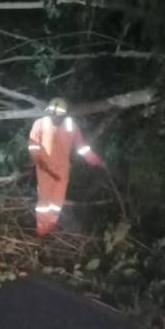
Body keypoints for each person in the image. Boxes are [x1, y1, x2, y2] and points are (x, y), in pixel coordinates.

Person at [27, 98, 104, 236]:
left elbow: (81, 147)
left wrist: (95, 160)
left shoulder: (71, 126)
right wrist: (37, 159)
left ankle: (50, 225)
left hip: (62, 169)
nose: (55, 117)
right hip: (45, 168)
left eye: (58, 115)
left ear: (64, 115)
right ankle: (41, 229)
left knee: (57, 201)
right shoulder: (40, 124)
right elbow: (33, 145)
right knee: (44, 202)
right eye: (52, 114)